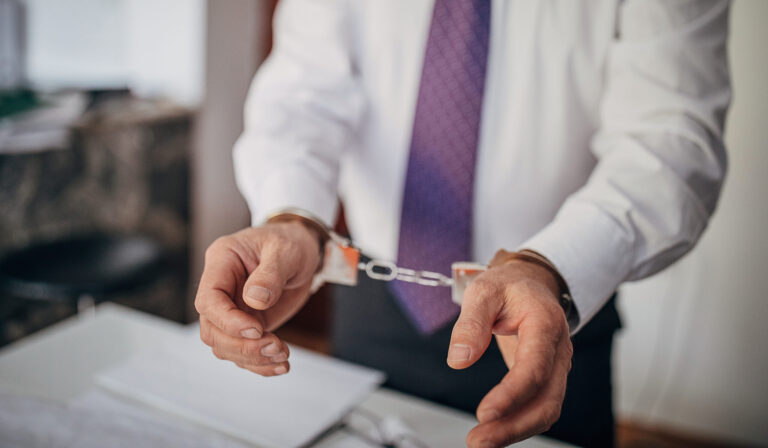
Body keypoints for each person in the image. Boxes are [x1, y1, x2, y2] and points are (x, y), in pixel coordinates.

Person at [194, 1, 731, 446]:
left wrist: (549, 268)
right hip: (375, 305)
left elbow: (670, 141)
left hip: (550, 322)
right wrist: (291, 215)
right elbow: (302, 94)